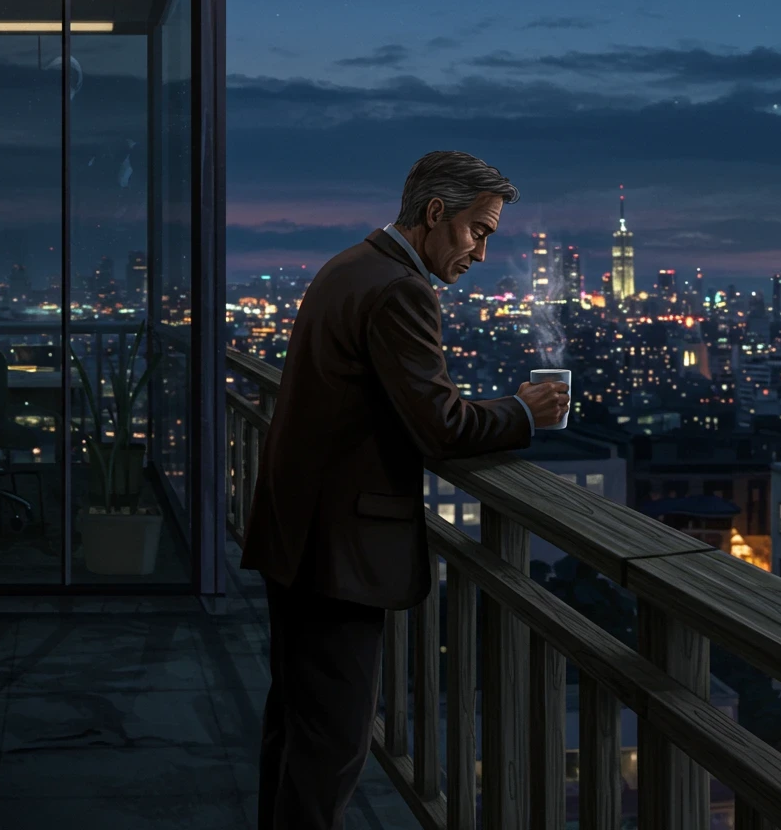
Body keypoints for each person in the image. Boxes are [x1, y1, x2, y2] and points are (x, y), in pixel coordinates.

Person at [240, 150, 570, 830]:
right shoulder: (402, 289)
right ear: (434, 213)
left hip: (296, 532)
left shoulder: (349, 265)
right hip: (338, 550)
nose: (480, 252)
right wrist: (523, 412)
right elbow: (440, 425)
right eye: (478, 230)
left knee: (297, 724)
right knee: (333, 743)